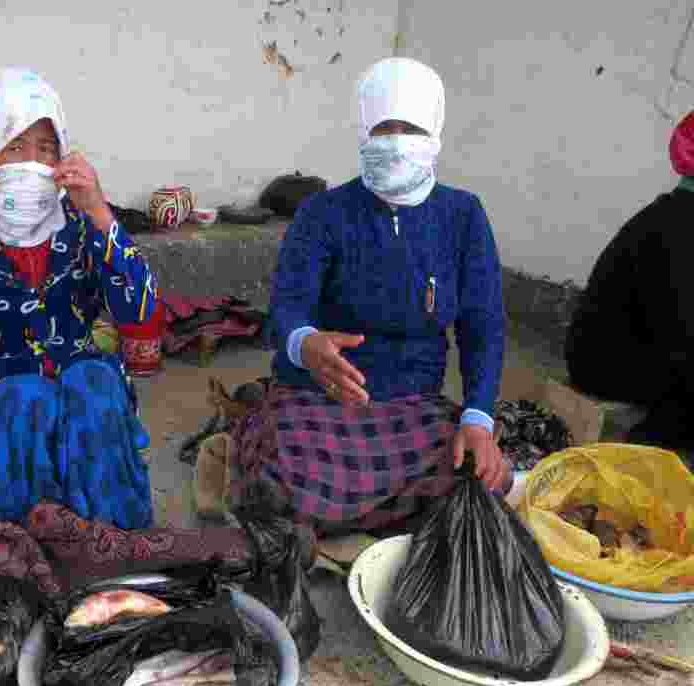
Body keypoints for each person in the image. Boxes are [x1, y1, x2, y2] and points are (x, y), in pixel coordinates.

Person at [231, 57, 513, 536]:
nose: (397, 142)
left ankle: (350, 513)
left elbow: (483, 326)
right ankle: (370, 508)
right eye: (384, 129)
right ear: (363, 132)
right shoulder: (323, 212)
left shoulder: (462, 215)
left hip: (413, 406)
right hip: (320, 398)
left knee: (481, 477)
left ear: (436, 133)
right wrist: (304, 343)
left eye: (412, 129)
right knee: (291, 481)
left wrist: (479, 418)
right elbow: (287, 305)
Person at [0, 67, 159, 529]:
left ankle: (118, 543)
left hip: (80, 374)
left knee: (95, 389)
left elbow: (140, 312)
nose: (31, 162)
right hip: (0, 388)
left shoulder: (80, 224)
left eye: (45, 149)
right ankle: (21, 552)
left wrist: (98, 211)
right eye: (14, 147)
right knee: (25, 400)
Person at [565, 111, 694, 450]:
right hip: (604, 361)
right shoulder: (676, 228)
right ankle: (643, 451)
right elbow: (681, 335)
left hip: (645, 346)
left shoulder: (677, 215)